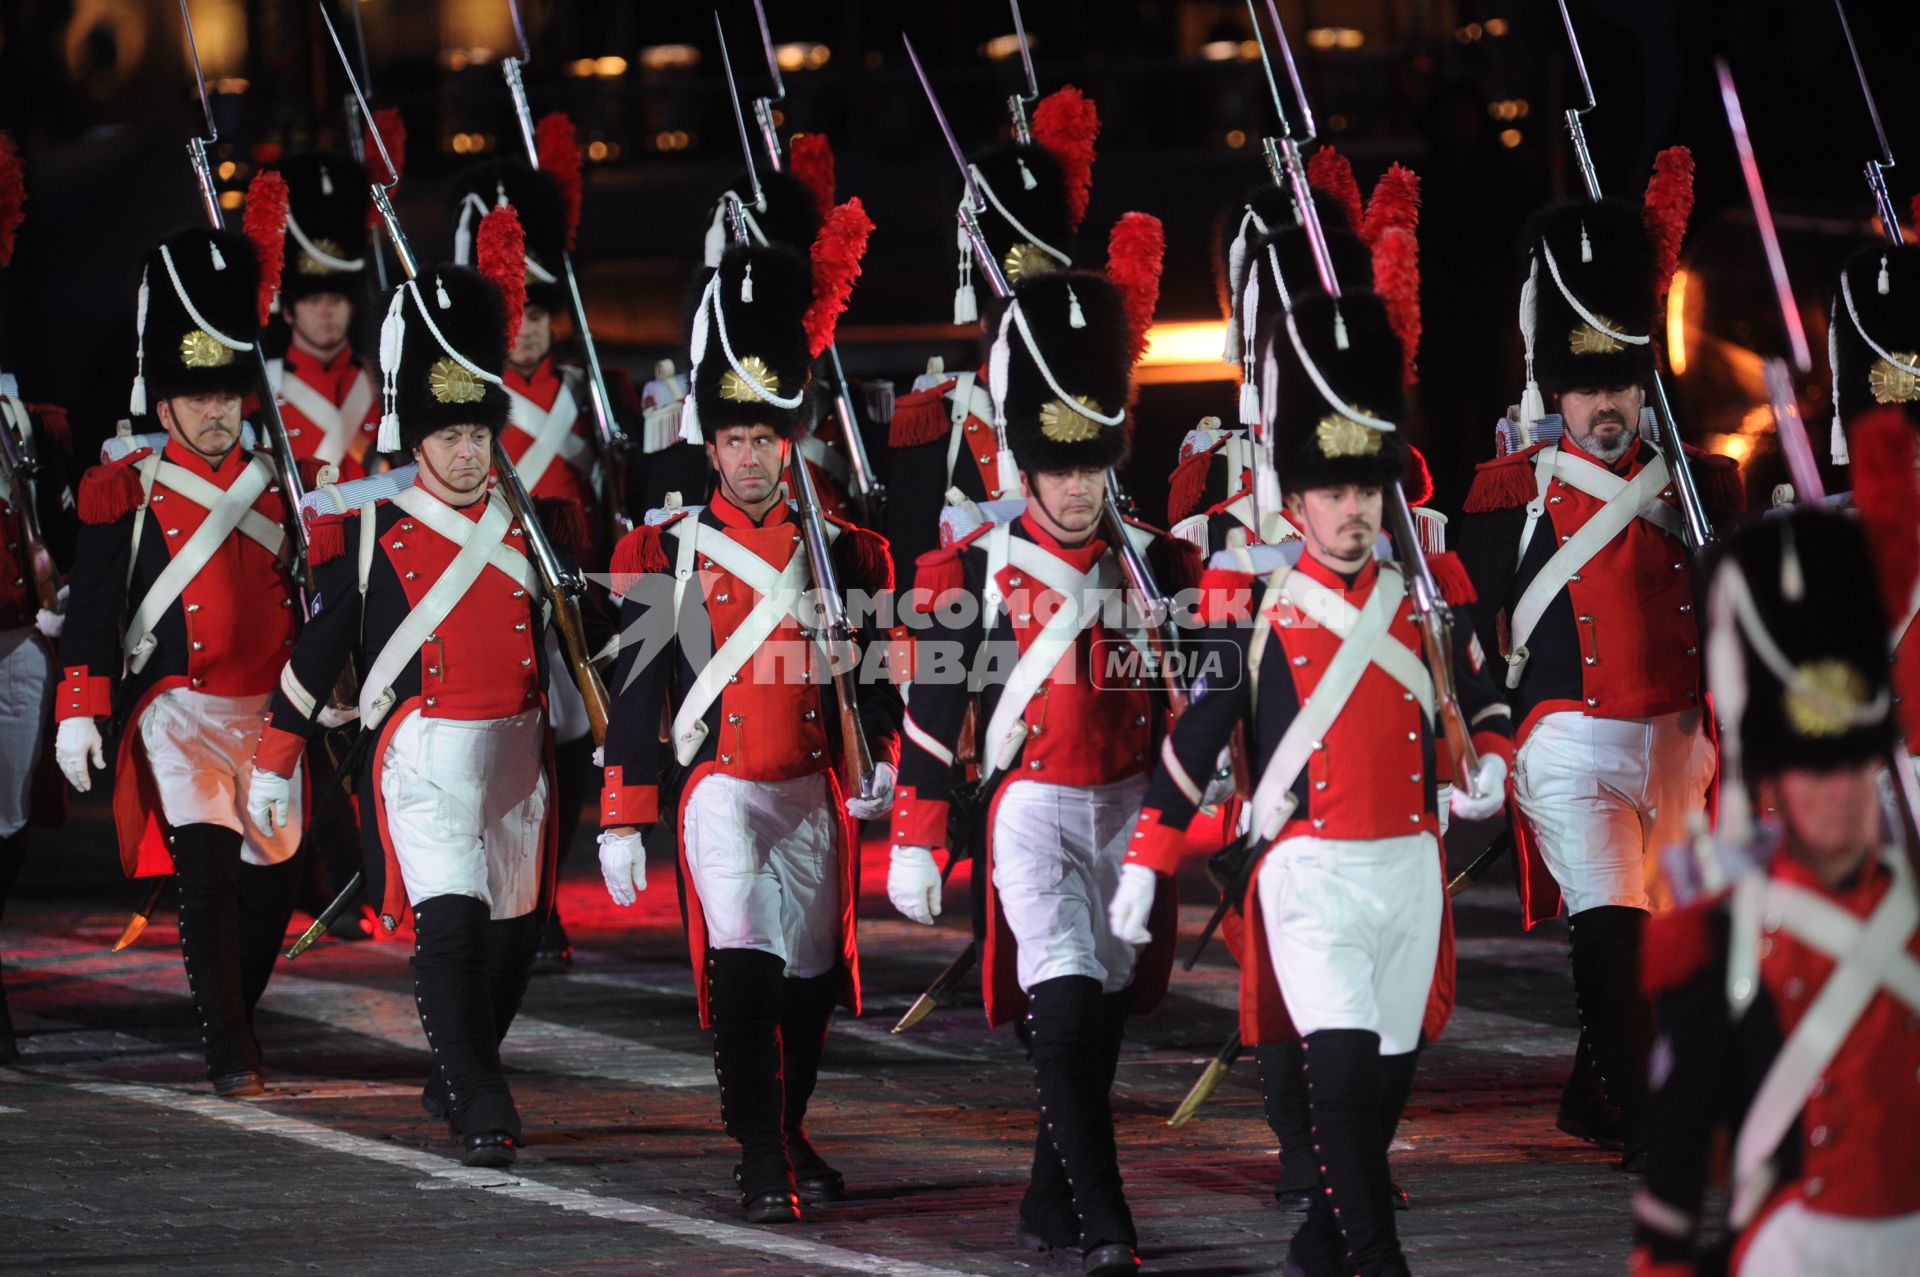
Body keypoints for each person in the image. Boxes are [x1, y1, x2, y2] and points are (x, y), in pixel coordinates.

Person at [1111, 285, 1511, 1277]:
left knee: (1384, 1078)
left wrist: (1488, 764)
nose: (1351, 509)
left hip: (1410, 867)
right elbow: (1196, 738)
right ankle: (1378, 1258)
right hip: (1309, 870)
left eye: (1364, 492)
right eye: (1331, 494)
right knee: (1337, 1068)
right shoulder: (1257, 606)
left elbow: (1486, 695)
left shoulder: (1426, 598)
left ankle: (1321, 1240)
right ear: (1295, 503)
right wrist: (1146, 860)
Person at [248, 240, 585, 1168]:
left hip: (518, 759)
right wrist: (277, 758)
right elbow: (319, 652)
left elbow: (579, 649)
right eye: (449, 436)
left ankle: (461, 1066)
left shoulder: (537, 531)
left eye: (478, 434)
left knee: (514, 945)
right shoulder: (371, 534)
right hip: (420, 756)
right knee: (452, 924)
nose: (469, 451)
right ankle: (481, 1098)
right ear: (418, 440)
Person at [888, 249, 1191, 1276]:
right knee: (1060, 996)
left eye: (1089, 464)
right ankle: (1111, 1222)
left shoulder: (1163, 562)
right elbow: (934, 713)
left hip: (1131, 809)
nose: (1074, 486)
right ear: (1024, 462)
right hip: (1028, 808)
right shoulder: (967, 565)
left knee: (1098, 1017)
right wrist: (920, 833)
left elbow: (1215, 691)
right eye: (1056, 466)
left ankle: (1047, 1189)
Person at [596, 202, 899, 1223]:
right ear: (711, 445)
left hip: (811, 786)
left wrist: (889, 752)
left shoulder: (847, 548)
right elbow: (641, 686)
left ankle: (786, 1125)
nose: (752, 459)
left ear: (788, 438)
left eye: (767, 438)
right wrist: (625, 805)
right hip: (720, 788)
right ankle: (759, 1154)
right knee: (745, 973)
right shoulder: (668, 552)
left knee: (810, 982)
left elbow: (877, 675)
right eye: (734, 440)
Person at [1455, 185, 1742, 1170]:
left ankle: (1597, 1089)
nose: (1607, 405)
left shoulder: (1707, 488)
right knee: (1612, 927)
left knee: (1670, 948)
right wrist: (1488, 732)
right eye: (1586, 388)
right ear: (1554, 391)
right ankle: (1658, 1126)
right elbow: (1467, 628)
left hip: (1680, 742)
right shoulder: (1506, 498)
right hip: (1568, 738)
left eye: (1621, 383)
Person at [1633, 506, 1920, 1275]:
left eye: (1853, 768)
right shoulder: (1723, 934)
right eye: (1814, 771)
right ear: (1778, 783)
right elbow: (1681, 1142)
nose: (1839, 794)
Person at [56, 226, 303, 1096]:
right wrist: (80, 705)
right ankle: (231, 1044)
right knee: (205, 878)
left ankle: (231, 1005)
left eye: (227, 393)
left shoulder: (288, 484)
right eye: (196, 397)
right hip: (179, 708)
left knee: (272, 886)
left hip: (275, 713)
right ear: (162, 405)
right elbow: (93, 608)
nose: (215, 411)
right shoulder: (126, 486)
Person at [261, 151, 381, 482]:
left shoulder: (382, 383)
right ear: (288, 310)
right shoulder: (263, 392)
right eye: (313, 300)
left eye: (336, 299)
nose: (326, 310)